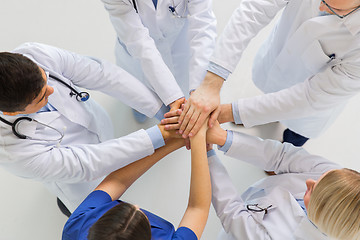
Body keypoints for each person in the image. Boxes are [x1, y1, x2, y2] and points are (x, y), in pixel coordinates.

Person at [0, 42, 177, 215]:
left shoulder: (35, 55)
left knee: (111, 154)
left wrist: (163, 111)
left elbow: (102, 75)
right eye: (41, 97)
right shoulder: (10, 151)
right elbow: (86, 163)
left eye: (46, 79)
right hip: (80, 179)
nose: (52, 90)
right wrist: (159, 135)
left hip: (97, 128)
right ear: (9, 113)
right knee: (99, 205)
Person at [176, 0, 360, 146]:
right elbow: (254, 9)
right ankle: (256, 117)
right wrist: (212, 82)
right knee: (269, 98)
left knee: (295, 135)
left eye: (331, 8)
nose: (319, 6)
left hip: (312, 105)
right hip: (278, 62)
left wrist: (227, 113)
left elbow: (310, 98)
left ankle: (284, 150)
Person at [205, 121, 360, 239]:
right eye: (320, 179)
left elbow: (232, 213)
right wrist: (223, 138)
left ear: (320, 213)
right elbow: (281, 157)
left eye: (313, 191)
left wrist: (207, 155)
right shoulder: (334, 175)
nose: (309, 181)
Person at [62, 120, 211, 239]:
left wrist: (176, 140)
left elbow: (118, 181)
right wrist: (198, 137)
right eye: (139, 212)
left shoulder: (77, 226)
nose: (137, 206)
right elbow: (197, 208)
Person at [100, 0, 217, 121]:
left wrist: (198, 89)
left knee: (184, 86)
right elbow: (139, 44)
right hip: (136, 55)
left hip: (179, 43)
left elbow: (203, 27)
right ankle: (140, 108)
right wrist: (173, 97)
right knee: (139, 95)